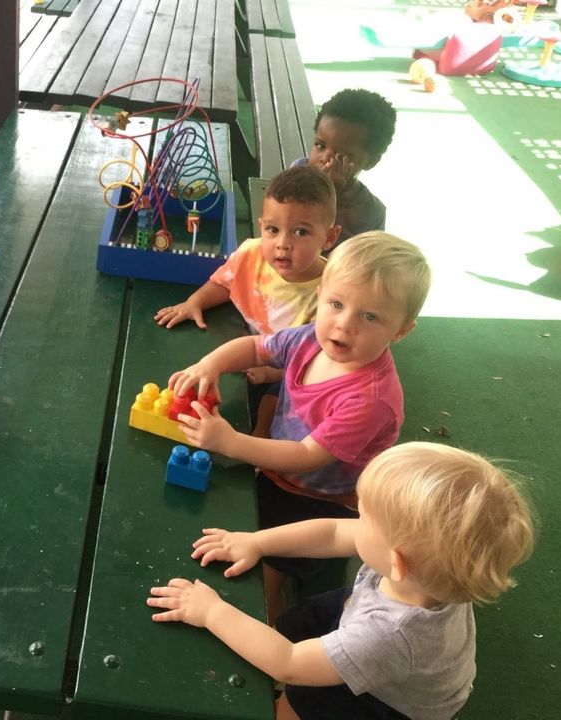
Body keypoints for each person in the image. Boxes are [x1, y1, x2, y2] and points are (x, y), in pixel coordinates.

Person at [147, 442, 535, 720]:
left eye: (364, 516)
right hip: (367, 611)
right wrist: (256, 542)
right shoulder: (428, 572)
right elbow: (333, 532)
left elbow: (289, 663)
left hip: (384, 702)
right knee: (299, 622)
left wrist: (211, 611)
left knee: (302, 697)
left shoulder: (388, 636)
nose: (354, 518)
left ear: (396, 563)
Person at [169, 232, 431, 620]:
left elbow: (306, 456)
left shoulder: (371, 399)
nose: (344, 324)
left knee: (261, 574)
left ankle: (270, 641)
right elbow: (258, 348)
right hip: (274, 470)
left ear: (401, 330)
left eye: (370, 316)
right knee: (207, 519)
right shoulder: (312, 338)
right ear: (322, 293)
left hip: (320, 501)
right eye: (337, 304)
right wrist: (210, 364)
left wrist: (229, 442)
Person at [155, 165, 341, 439]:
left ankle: (262, 434)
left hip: (284, 368)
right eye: (273, 229)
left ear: (329, 237)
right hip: (242, 340)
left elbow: (313, 362)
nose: (283, 244)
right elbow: (225, 281)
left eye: (301, 232)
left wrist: (269, 373)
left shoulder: (330, 295)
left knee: (283, 397)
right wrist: (195, 301)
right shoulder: (252, 252)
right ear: (261, 224)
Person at [292, 88, 396, 247]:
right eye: (320, 145)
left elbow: (363, 265)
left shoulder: (371, 214)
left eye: (341, 155)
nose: (326, 157)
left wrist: (332, 195)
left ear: (371, 162)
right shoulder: (295, 174)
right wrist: (326, 191)